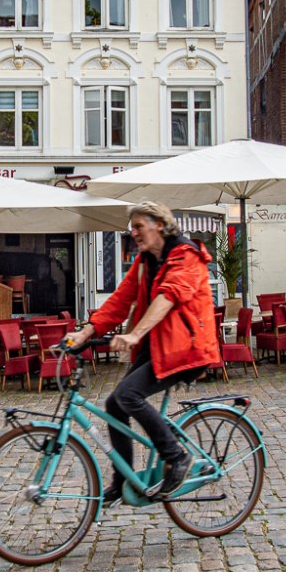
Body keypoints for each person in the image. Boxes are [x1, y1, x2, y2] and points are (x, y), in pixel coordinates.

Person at [63, 202, 221, 501]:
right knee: (115, 405)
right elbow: (120, 301)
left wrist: (135, 334)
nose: (133, 232)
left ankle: (177, 456)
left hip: (186, 349)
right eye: (131, 227)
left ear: (159, 224)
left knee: (128, 395)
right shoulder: (145, 262)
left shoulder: (187, 255)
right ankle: (124, 479)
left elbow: (168, 296)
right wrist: (85, 332)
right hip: (156, 348)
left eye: (138, 226)